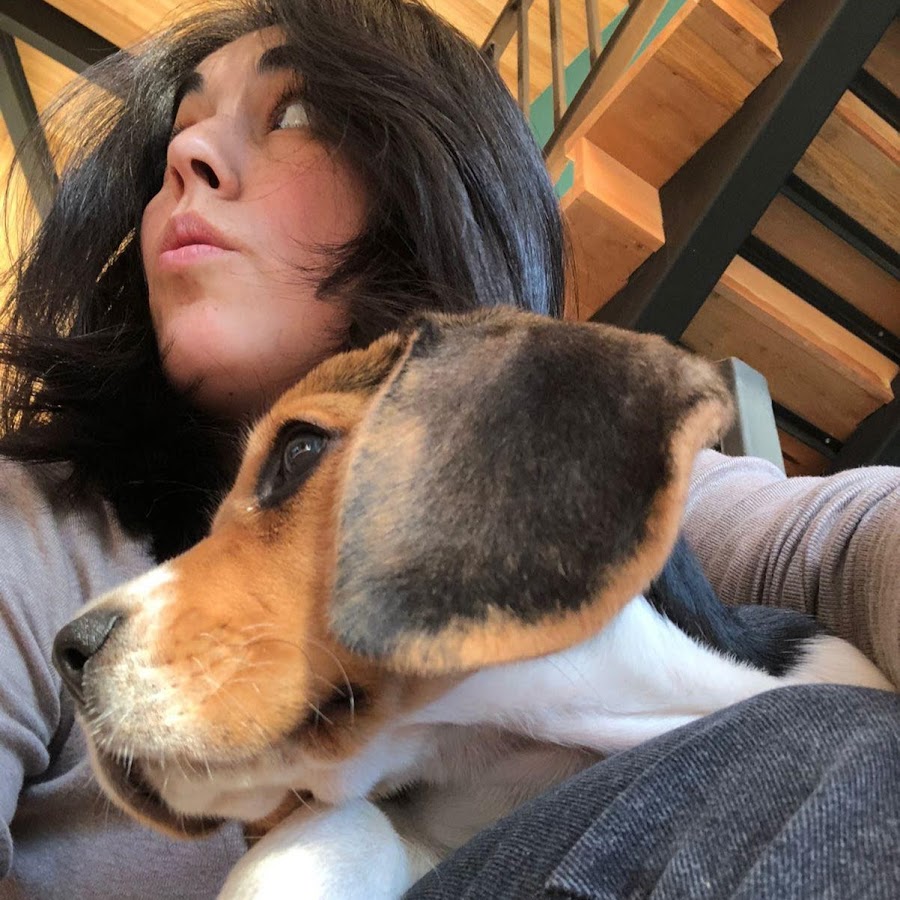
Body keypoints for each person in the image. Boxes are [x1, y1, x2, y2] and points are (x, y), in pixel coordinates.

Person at [0, 1, 896, 897]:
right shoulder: (32, 528)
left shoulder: (572, 466)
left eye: (292, 112)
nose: (186, 156)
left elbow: (840, 543)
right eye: (176, 135)